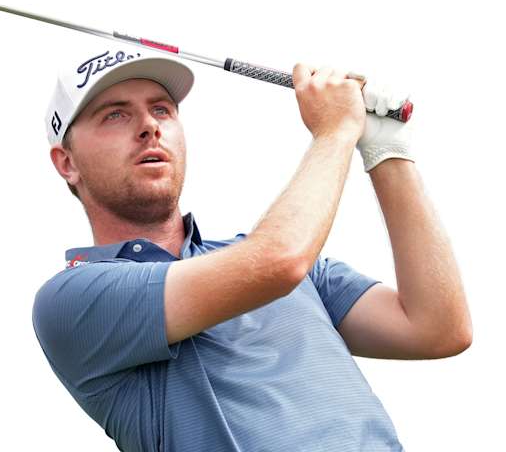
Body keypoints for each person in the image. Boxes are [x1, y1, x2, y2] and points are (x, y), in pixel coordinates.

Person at [32, 44, 472, 451]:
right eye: (115, 115)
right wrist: (336, 132)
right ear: (66, 162)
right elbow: (276, 263)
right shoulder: (72, 298)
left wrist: (385, 151)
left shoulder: (300, 270)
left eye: (162, 110)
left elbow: (437, 328)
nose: (149, 126)